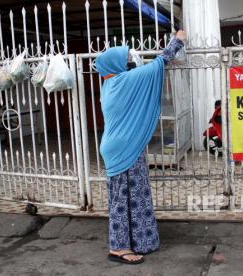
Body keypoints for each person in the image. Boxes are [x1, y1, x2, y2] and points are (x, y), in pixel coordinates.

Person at [95, 30, 186, 265]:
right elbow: (160, 62)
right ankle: (119, 248)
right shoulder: (124, 81)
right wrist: (178, 40)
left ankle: (140, 241)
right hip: (123, 151)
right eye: (126, 60)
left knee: (134, 196)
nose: (131, 62)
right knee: (123, 199)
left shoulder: (109, 85)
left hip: (121, 148)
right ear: (116, 64)